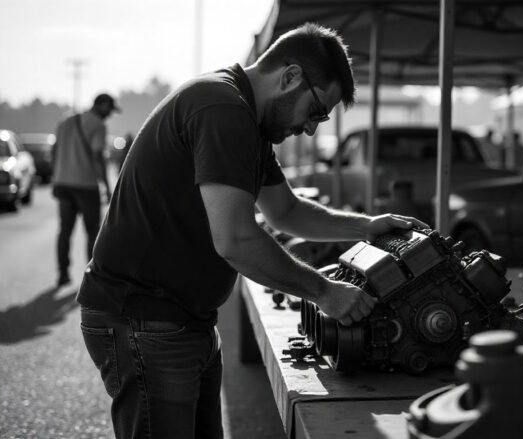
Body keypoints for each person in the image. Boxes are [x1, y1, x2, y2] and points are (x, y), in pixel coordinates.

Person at [76, 23, 428, 439]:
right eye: (315, 112)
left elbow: (286, 212)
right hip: (144, 318)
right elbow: (236, 240)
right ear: (290, 77)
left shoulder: (248, 120)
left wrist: (366, 227)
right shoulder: (222, 110)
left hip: (183, 321)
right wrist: (325, 292)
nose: (312, 129)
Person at [52, 93, 118, 286]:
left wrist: (58, 177)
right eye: (110, 109)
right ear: (102, 105)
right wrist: (107, 186)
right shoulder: (98, 124)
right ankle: (92, 277)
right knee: (92, 231)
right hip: (85, 185)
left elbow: (54, 151)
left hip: (63, 183)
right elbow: (98, 157)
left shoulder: (66, 120)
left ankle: (63, 273)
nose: (110, 115)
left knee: (65, 230)